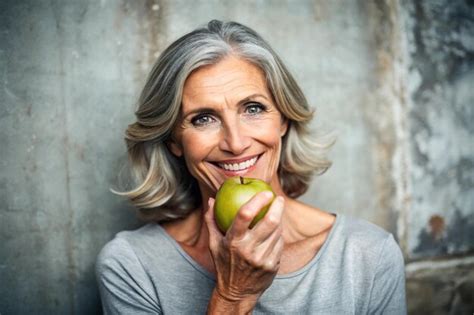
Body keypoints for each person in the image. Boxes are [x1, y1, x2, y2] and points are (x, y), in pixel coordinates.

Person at [96, 20, 407, 314]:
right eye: (203, 118)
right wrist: (233, 297)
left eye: (253, 108)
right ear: (174, 140)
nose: (235, 142)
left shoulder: (368, 254)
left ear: (283, 119)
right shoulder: (132, 265)